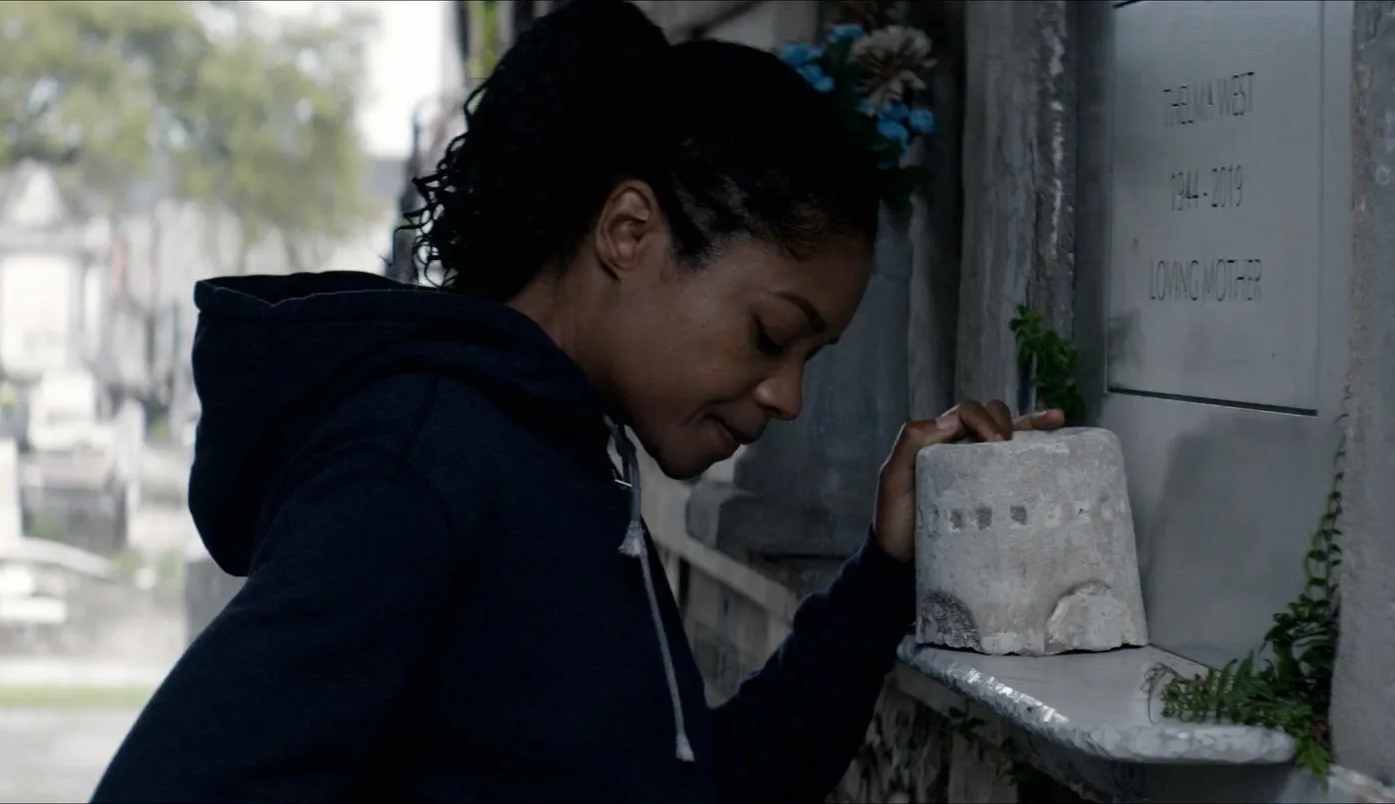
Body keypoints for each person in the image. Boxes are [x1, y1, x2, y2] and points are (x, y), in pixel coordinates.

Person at [92, 2, 1062, 802]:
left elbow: (699, 787)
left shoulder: (569, 458)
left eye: (814, 356)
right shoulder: (424, 461)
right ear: (629, 233)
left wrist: (884, 573)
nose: (788, 396)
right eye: (771, 335)